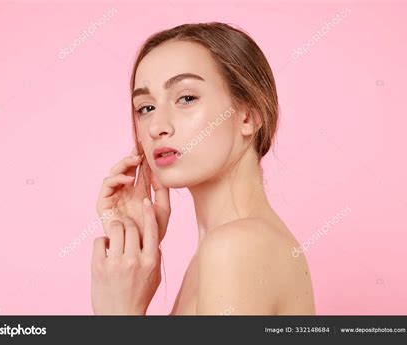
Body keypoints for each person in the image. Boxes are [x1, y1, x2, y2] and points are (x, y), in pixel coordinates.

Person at [91, 22, 315, 315]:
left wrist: (120, 316)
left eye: (186, 98)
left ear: (248, 116)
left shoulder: (235, 247)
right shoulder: (220, 249)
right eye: (145, 107)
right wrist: (133, 241)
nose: (157, 126)